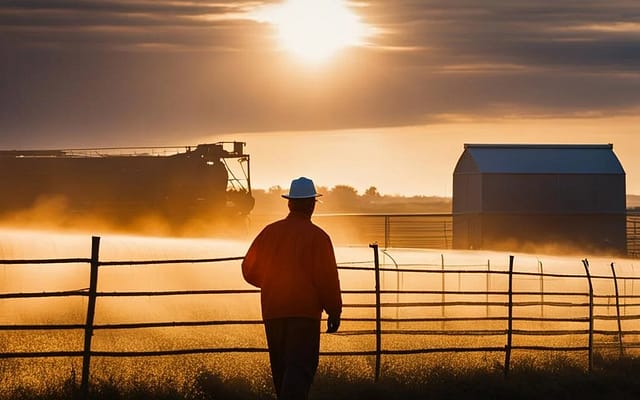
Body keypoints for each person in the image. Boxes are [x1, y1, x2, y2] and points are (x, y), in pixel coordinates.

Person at [242, 177, 342, 400]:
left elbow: (248, 269)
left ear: (289, 203)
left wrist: (270, 284)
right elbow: (327, 279)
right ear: (312, 204)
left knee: (282, 371)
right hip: (304, 316)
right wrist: (334, 311)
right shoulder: (318, 237)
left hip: (273, 313)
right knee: (299, 370)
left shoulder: (269, 232)